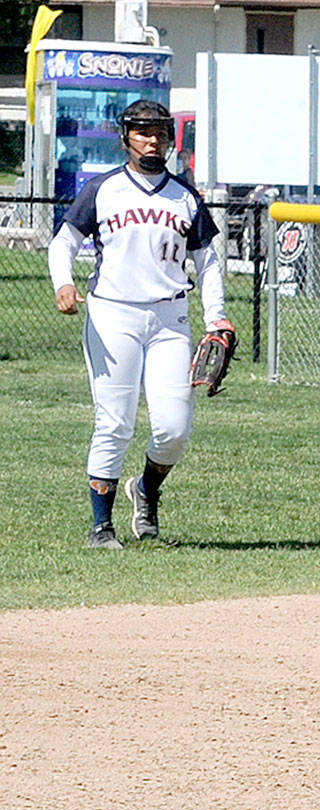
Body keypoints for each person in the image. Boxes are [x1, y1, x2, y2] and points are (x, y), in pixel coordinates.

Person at [48, 99, 233, 550]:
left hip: (170, 317)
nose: (153, 140)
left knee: (174, 428)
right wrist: (63, 284)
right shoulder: (104, 189)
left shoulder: (184, 196)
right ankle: (101, 527)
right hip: (113, 313)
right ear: (126, 137)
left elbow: (207, 262)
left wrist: (217, 316)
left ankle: (147, 488)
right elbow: (62, 243)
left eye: (160, 133)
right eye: (143, 132)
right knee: (115, 422)